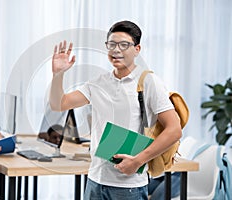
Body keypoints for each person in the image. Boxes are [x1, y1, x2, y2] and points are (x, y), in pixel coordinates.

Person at [49, 20, 182, 199]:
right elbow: (59, 104)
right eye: (111, 44)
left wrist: (138, 161)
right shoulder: (98, 82)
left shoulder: (149, 82)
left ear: (137, 49)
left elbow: (174, 130)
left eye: (124, 45)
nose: (116, 50)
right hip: (95, 181)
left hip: (129, 186)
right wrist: (58, 75)